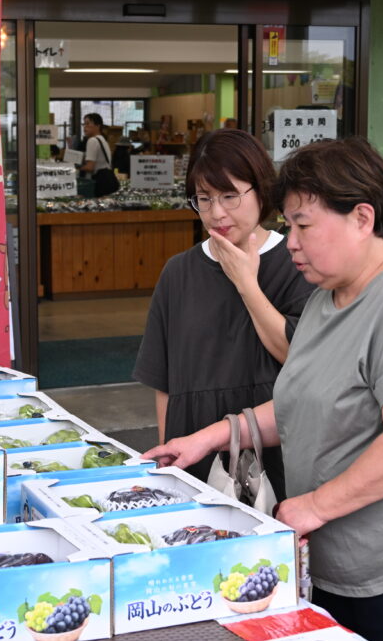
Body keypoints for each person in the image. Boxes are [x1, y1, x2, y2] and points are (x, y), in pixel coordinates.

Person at [144, 137, 383, 641]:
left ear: (361, 218)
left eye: (303, 226)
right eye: (289, 225)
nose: (290, 241)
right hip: (343, 560)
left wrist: (313, 506)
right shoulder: (327, 298)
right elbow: (299, 402)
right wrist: (209, 437)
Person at [133, 129, 315, 497]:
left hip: (272, 454)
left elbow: (297, 356)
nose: (217, 213)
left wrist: (247, 283)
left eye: (230, 196)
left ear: (261, 189)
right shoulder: (178, 272)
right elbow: (164, 381)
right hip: (191, 450)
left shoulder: (296, 262)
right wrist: (169, 451)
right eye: (204, 199)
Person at [79, 112, 111, 177]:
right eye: (84, 124)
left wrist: (76, 169)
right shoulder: (103, 140)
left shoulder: (92, 141)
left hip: (99, 181)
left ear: (98, 126)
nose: (85, 127)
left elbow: (90, 167)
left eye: (88, 124)